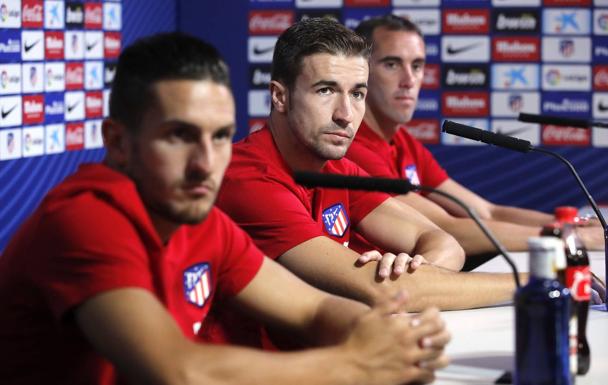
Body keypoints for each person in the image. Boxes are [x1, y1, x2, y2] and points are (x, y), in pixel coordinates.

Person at [0, 32, 450, 385]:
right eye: (179, 136)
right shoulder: (85, 221)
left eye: (219, 137)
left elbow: (313, 310)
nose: (205, 164)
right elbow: (178, 372)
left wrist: (379, 336)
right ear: (117, 142)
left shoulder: (201, 221)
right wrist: (354, 364)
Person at [217, 18, 525, 315]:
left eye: (357, 94)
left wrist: (418, 274)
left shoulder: (337, 170)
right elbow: (386, 292)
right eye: (326, 90)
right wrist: (530, 283)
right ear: (280, 97)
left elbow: (445, 242)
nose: (346, 114)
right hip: (265, 365)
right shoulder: (249, 178)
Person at [345, 15, 604, 269]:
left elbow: (487, 212)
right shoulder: (352, 148)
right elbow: (446, 228)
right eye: (391, 64)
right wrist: (568, 238)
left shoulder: (402, 140)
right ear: (361, 72)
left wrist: (573, 225)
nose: (409, 81)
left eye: (417, 65)